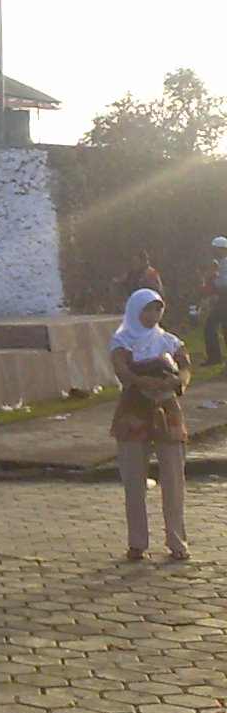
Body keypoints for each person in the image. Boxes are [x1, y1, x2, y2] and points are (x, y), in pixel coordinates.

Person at [110, 289, 190, 561]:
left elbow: (185, 368)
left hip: (167, 411)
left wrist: (176, 381)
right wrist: (145, 381)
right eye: (147, 310)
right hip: (133, 413)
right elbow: (122, 369)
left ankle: (177, 542)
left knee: (174, 480)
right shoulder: (122, 340)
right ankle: (137, 542)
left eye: (157, 310)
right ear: (135, 311)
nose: (152, 316)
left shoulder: (168, 340)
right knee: (134, 481)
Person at [202, 237, 227, 366]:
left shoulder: (225, 263)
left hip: (225, 298)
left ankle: (215, 357)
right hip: (223, 298)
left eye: (215, 249)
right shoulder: (221, 263)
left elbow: (224, 283)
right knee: (217, 326)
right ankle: (215, 357)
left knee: (211, 326)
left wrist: (212, 279)